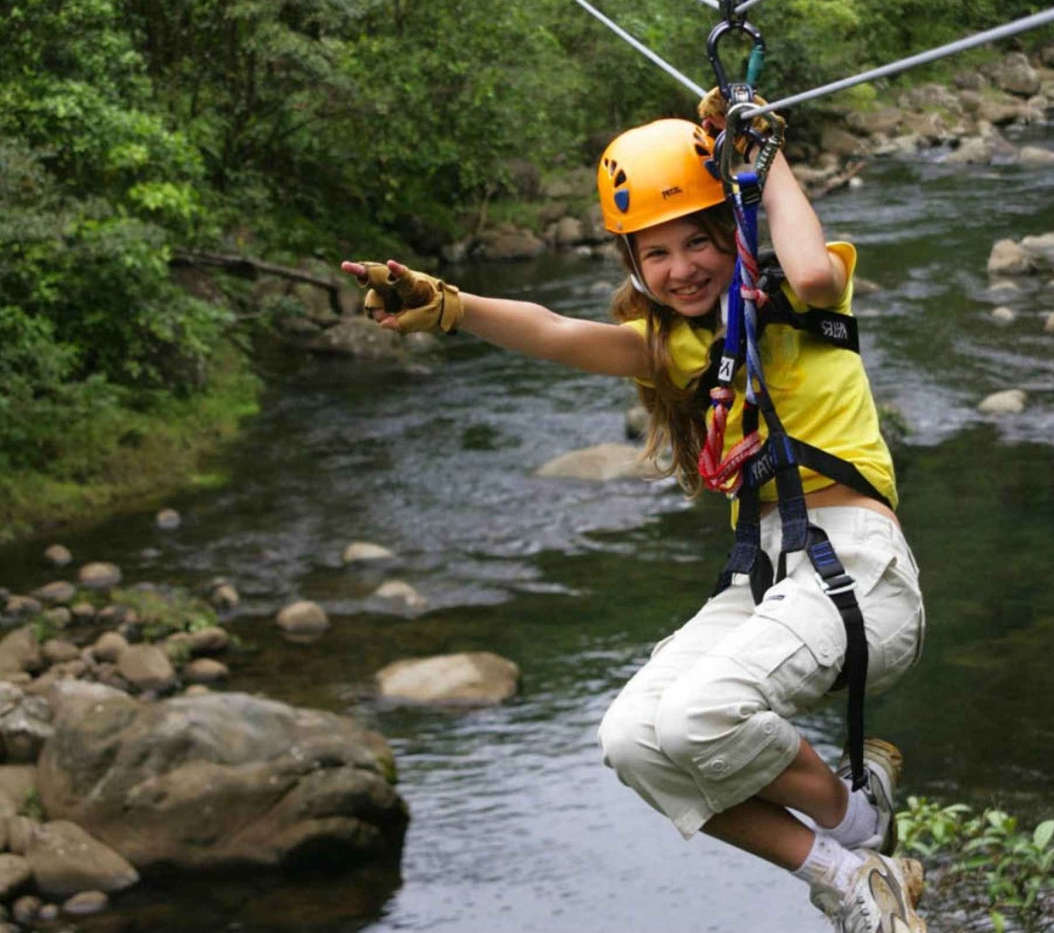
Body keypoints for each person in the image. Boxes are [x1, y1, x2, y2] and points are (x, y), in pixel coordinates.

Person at [342, 108, 927, 933]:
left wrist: (765, 158)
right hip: (769, 581)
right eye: (656, 252)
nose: (681, 267)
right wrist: (448, 306)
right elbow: (554, 332)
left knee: (695, 717)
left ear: (732, 229)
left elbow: (815, 271)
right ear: (633, 263)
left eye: (698, 240)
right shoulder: (675, 349)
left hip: (860, 575)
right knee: (633, 739)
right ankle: (847, 871)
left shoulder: (799, 292)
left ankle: (857, 813)